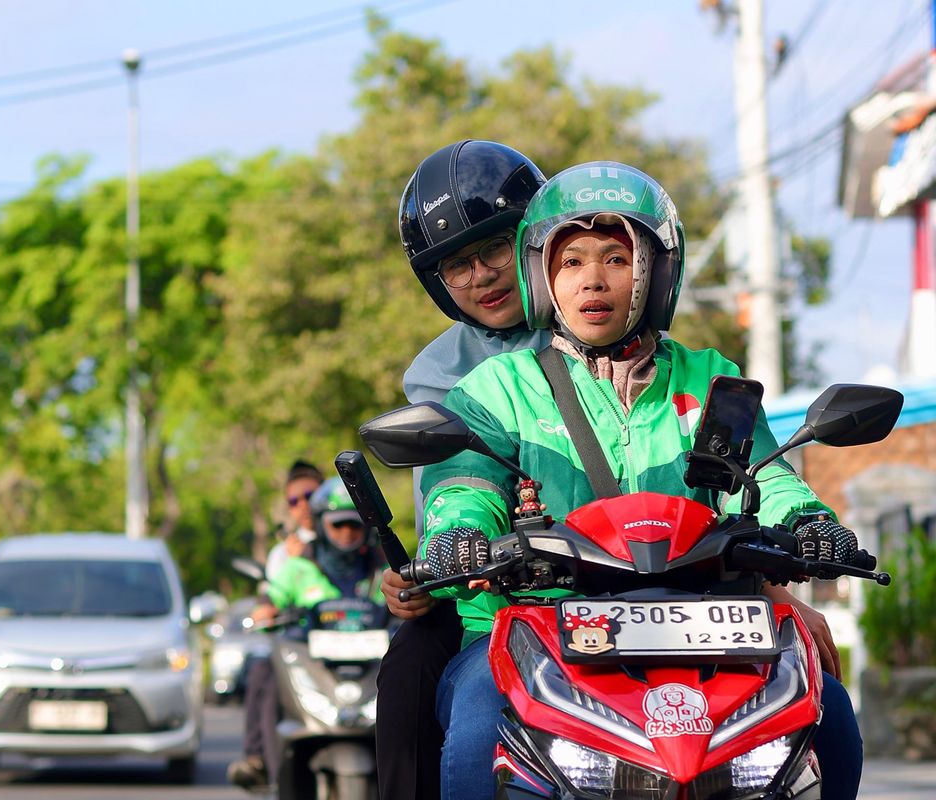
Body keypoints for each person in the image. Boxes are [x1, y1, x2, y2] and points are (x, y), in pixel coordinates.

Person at [418, 161, 864, 800]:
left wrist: (809, 524)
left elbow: (762, 480)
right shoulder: (496, 389)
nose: (592, 281)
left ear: (655, 271)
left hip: (707, 624)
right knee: (476, 733)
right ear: (542, 277)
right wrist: (458, 535)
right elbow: (465, 486)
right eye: (570, 262)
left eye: (615, 258)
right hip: (535, 623)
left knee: (830, 720)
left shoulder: (711, 379)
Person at [377, 138, 551, 800]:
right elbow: (454, 495)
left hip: (634, 573)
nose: (480, 275)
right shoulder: (438, 374)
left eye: (493, 248)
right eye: (455, 265)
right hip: (495, 586)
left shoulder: (601, 329)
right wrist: (420, 573)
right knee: (408, 674)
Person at [228, 478, 385, 790]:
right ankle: (268, 768)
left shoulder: (382, 566)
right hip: (312, 666)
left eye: (353, 526)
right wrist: (265, 610)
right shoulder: (298, 567)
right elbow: (270, 600)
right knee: (268, 675)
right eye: (337, 525)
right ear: (320, 525)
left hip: (372, 670)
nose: (346, 533)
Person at [265, 460, 323, 581]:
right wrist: (294, 565)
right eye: (294, 501)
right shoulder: (281, 554)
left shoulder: (351, 537)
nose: (303, 505)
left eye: (309, 496)